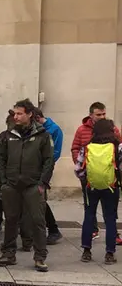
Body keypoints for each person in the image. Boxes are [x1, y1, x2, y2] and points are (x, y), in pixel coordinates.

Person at [0, 99, 54, 272]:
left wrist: (42, 183)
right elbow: (0, 159)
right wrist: (3, 181)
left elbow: (48, 161)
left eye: (20, 113)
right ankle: (8, 254)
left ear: (30, 114)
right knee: (11, 219)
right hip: (11, 185)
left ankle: (40, 257)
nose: (16, 117)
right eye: (15, 113)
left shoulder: (43, 136)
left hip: (33, 185)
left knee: (37, 221)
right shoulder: (7, 135)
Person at [71, 102, 121, 240]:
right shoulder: (82, 130)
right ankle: (93, 229)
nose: (102, 117)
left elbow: (118, 151)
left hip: (110, 178)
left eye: (104, 114)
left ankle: (114, 233)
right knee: (90, 209)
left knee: (110, 210)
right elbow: (75, 148)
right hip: (89, 176)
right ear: (91, 115)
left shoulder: (113, 129)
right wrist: (81, 165)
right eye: (99, 114)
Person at [74, 119, 119, 265]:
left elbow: (78, 169)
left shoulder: (87, 147)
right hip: (111, 187)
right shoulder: (117, 147)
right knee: (110, 219)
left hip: (91, 187)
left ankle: (86, 251)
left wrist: (87, 179)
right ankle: (109, 254)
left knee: (89, 216)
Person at [35, 108, 64, 245]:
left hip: (43, 169)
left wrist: (45, 166)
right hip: (33, 168)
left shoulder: (53, 130)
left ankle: (53, 230)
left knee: (40, 201)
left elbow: (55, 152)